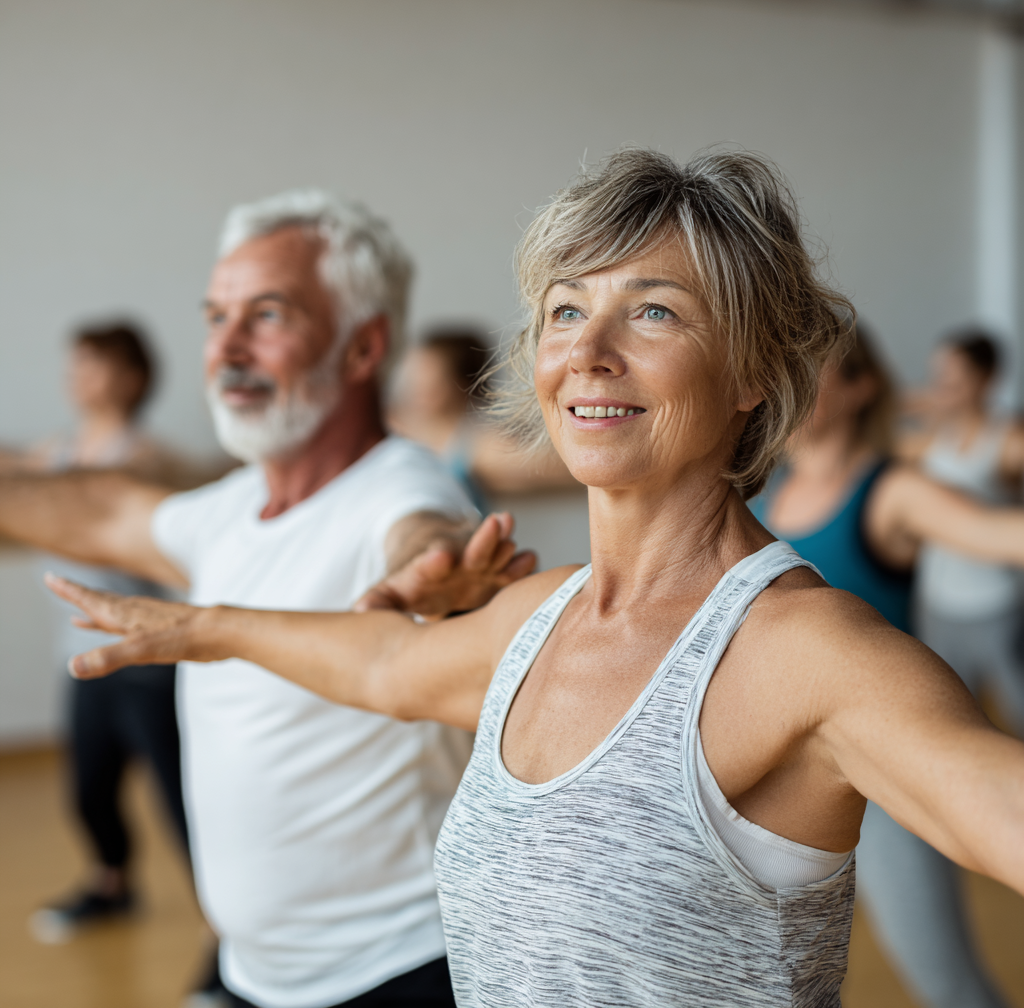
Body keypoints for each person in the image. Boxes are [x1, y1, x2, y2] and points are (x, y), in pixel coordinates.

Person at [50, 150, 1024, 1008]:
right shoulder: (535, 616)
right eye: (565, 311)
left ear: (751, 373)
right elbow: (384, 664)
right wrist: (205, 627)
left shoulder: (807, 654)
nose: (587, 354)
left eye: (652, 311)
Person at [0, 190, 533, 1008]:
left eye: (268, 315)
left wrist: (441, 577)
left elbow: (423, 537)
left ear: (363, 347)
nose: (227, 347)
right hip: (257, 972)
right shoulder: (231, 509)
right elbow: (102, 508)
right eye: (216, 318)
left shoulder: (400, 488)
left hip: (399, 971)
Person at [750, 328, 1013, 1008]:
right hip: (774, 782)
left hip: (877, 771)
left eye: (812, 371)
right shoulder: (760, 497)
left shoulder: (892, 489)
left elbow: (1000, 534)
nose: (791, 385)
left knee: (944, 981)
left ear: (860, 388)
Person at [0, 322, 190, 945]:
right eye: (74, 363)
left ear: (132, 377)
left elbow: (94, 494)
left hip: (143, 659)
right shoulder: (58, 451)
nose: (76, 375)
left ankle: (224, 930)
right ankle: (112, 886)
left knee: (179, 802)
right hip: (81, 657)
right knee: (89, 793)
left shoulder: (145, 457)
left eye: (93, 364)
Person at [900, 329, 1024, 733]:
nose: (942, 387)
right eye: (938, 376)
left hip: (995, 607)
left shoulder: (1008, 439)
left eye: (955, 378)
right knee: (954, 720)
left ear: (986, 379)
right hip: (937, 604)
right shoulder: (933, 435)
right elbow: (879, 419)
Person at [388, 328, 578, 510]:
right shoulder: (397, 425)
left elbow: (567, 469)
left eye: (431, 376)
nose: (419, 385)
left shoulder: (483, 450)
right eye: (416, 374)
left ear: (462, 382)